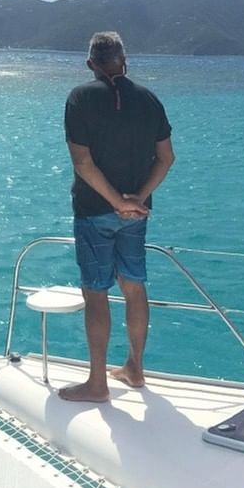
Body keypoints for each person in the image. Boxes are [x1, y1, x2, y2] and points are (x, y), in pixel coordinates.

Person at [58, 31, 174, 403]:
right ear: (124, 61)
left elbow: (83, 163)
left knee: (96, 294)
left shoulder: (80, 98)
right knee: (134, 287)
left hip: (94, 212)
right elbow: (166, 158)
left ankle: (97, 384)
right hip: (136, 214)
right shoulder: (149, 99)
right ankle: (135, 368)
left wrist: (114, 202)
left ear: (90, 63)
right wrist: (135, 199)